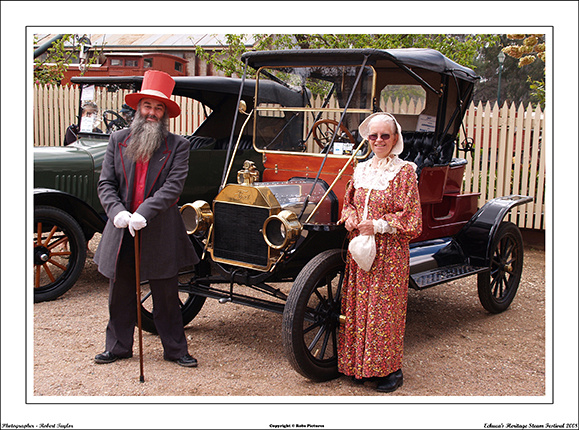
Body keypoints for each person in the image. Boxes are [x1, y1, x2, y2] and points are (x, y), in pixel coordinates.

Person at [93, 70, 199, 367]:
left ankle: (176, 350)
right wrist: (118, 213)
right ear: (138, 108)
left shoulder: (178, 145)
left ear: (165, 113)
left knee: (166, 295)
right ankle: (117, 346)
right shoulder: (118, 140)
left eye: (159, 107)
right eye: (148, 106)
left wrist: (144, 212)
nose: (152, 112)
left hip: (160, 226)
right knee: (121, 291)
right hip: (122, 226)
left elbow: (173, 187)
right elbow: (106, 184)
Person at [338, 112, 422, 393]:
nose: (378, 140)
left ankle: (389, 370)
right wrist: (349, 217)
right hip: (361, 250)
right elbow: (349, 203)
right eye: (373, 135)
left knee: (384, 311)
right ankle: (359, 366)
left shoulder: (404, 171)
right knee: (359, 308)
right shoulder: (361, 169)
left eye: (384, 135)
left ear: (395, 138)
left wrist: (378, 225)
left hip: (389, 251)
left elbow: (412, 219)